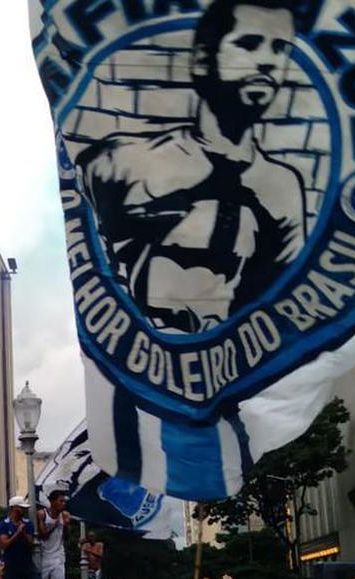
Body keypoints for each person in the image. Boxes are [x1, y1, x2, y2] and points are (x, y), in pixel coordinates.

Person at [77, 0, 308, 333]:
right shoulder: (119, 163)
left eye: (280, 48)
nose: (268, 61)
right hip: (147, 355)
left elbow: (286, 303)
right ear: (201, 60)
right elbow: (90, 259)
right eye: (248, 43)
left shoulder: (282, 186)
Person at [0, 496, 43, 579]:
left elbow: (30, 542)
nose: (23, 510)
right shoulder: (4, 524)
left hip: (26, 563)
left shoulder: (27, 523)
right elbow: (4, 544)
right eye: (20, 508)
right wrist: (17, 533)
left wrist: (23, 533)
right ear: (13, 508)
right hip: (11, 563)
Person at [37, 490, 70, 579]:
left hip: (58, 555)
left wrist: (66, 526)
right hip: (44, 555)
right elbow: (43, 535)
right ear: (52, 501)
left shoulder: (64, 515)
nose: (63, 504)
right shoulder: (42, 514)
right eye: (61, 501)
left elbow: (66, 537)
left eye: (64, 501)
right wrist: (55, 524)